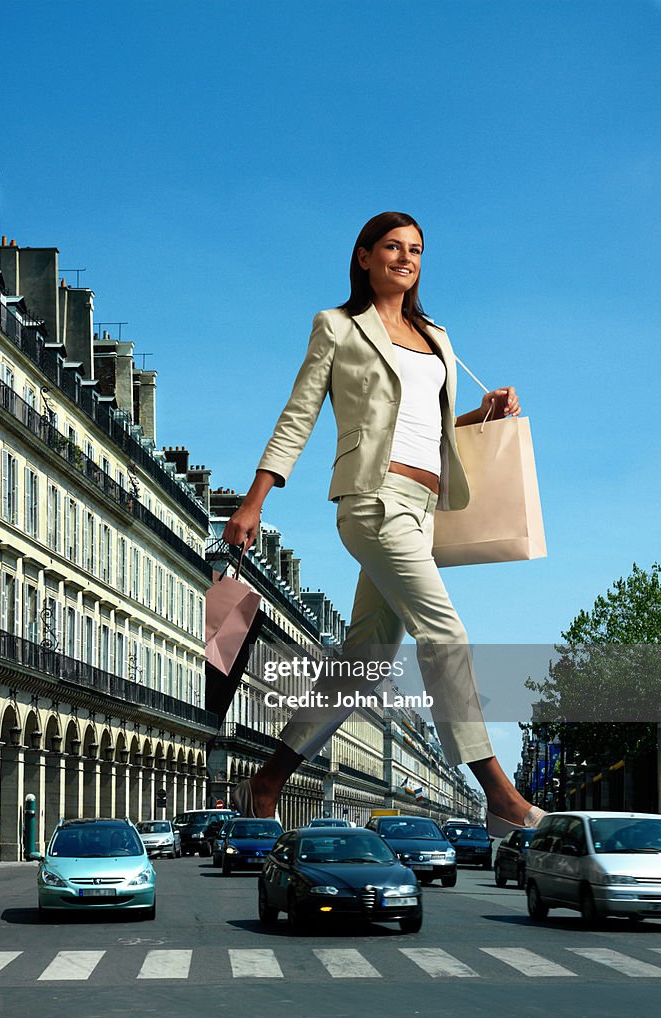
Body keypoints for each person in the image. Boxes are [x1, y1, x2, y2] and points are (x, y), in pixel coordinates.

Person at [221, 211, 545, 838]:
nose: (406, 258)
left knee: (362, 665)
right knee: (445, 635)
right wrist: (254, 500)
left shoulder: (437, 336)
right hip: (372, 502)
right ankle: (499, 793)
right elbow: (299, 415)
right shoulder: (338, 328)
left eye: (416, 250)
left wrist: (482, 413)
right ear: (364, 256)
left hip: (422, 508)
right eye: (393, 248)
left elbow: (434, 430)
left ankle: (269, 778)